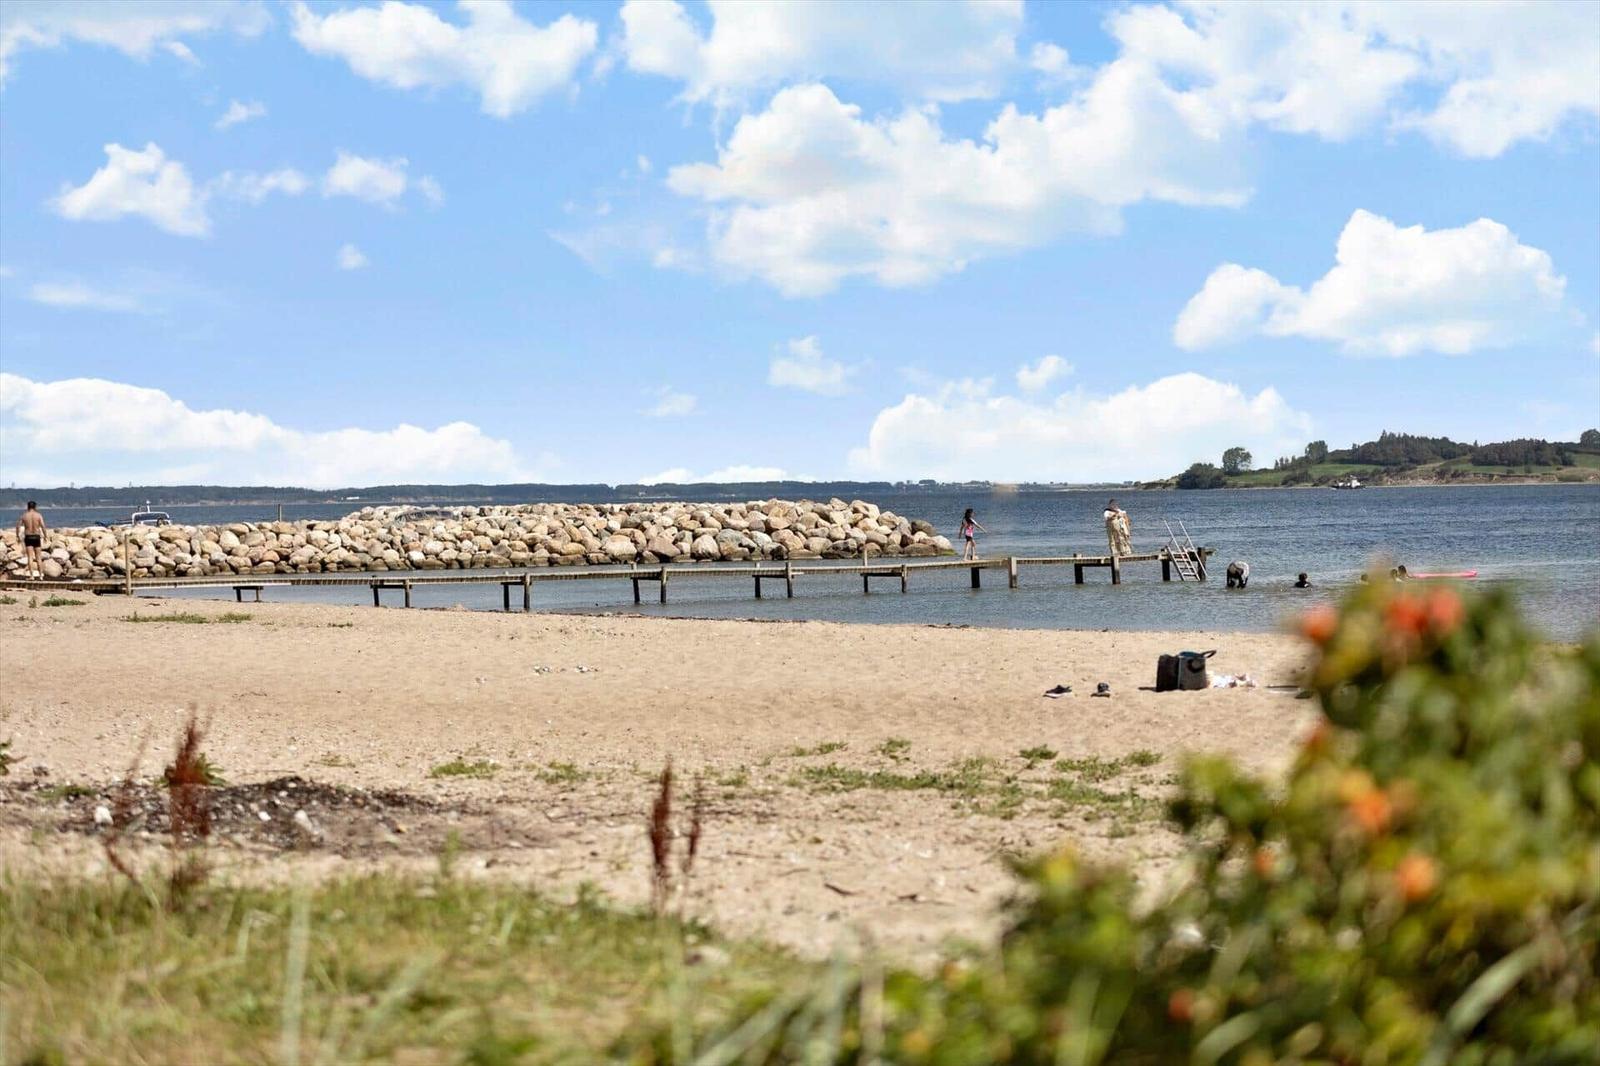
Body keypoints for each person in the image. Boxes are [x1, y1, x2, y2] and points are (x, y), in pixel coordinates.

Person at [15, 501, 46, 579]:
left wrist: (17, 536)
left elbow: (18, 526)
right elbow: (43, 526)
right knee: (39, 557)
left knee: (30, 557)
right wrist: (45, 536)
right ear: (35, 507)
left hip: (28, 537)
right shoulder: (38, 515)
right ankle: (41, 576)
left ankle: (32, 576)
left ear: (27, 507)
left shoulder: (24, 516)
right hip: (36, 536)